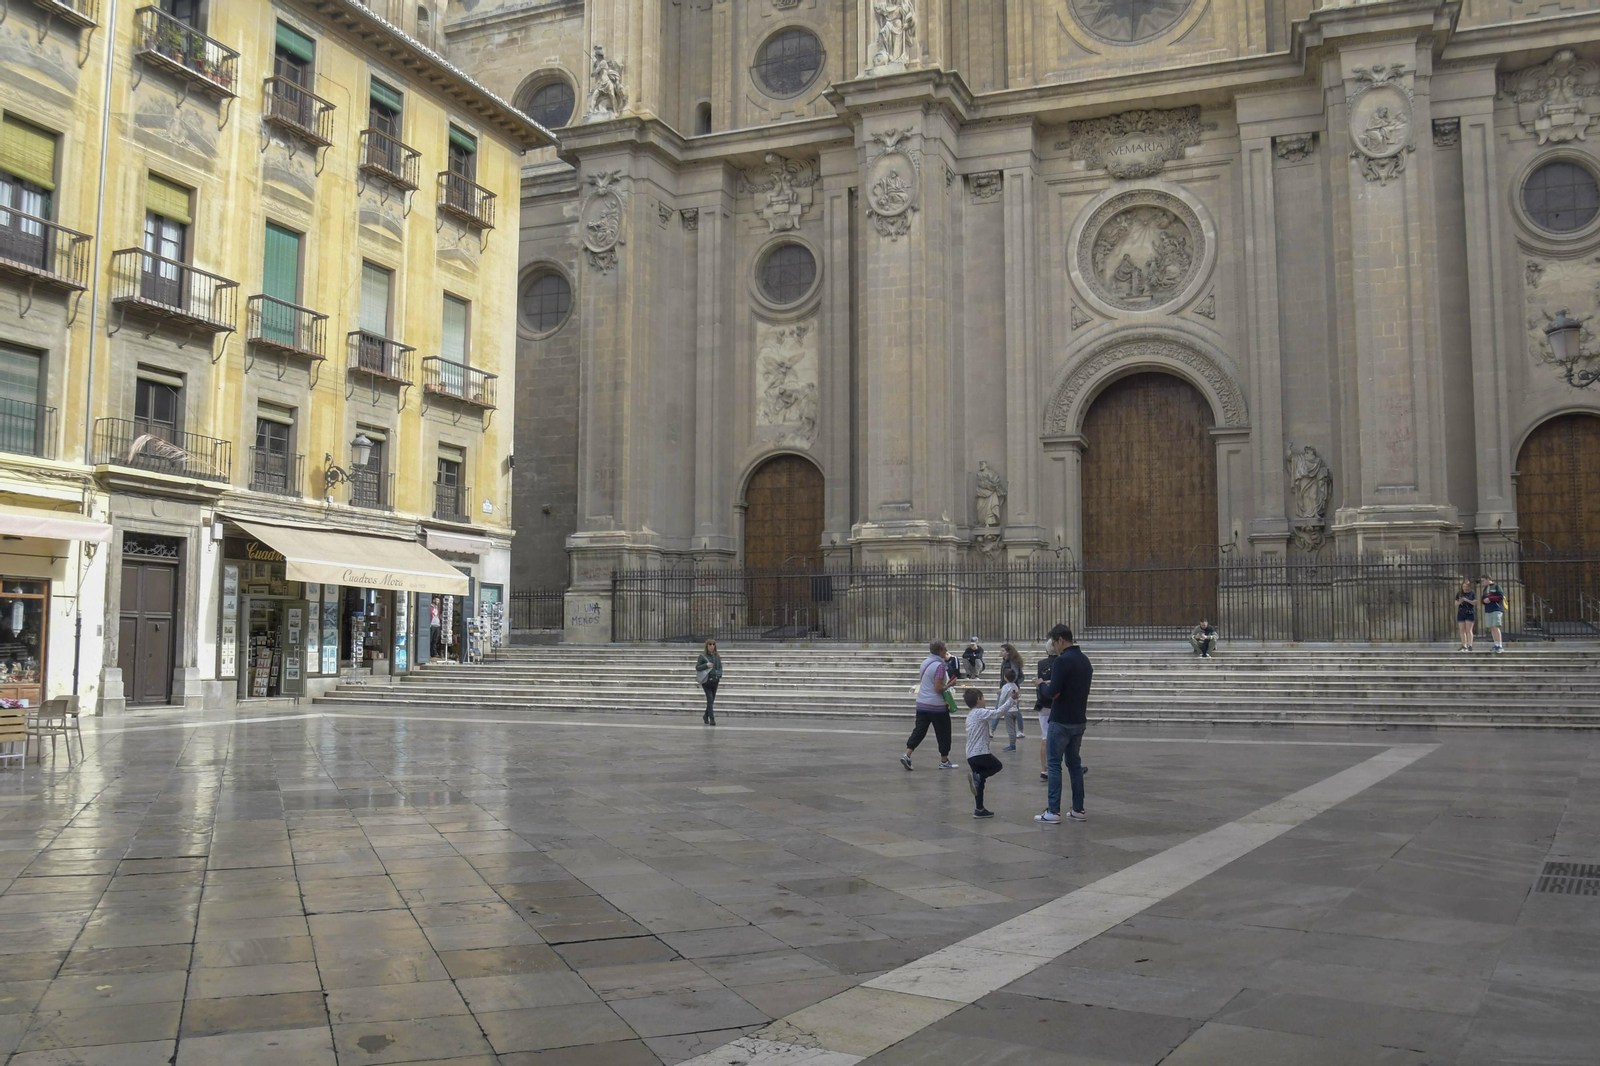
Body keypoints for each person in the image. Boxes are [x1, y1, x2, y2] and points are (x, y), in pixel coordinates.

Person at [1037, 624, 1093, 824]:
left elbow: (1054, 693)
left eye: (1054, 642)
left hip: (1061, 720)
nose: (1054, 646)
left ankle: (1053, 810)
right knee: (1074, 764)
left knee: (1053, 764)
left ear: (1061, 640)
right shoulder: (1085, 661)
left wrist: (1043, 686)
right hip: (1079, 719)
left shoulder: (1062, 661)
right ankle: (1078, 808)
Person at [902, 641, 956, 770]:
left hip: (922, 703)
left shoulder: (925, 663)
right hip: (936, 705)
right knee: (943, 732)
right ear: (941, 650)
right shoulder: (939, 666)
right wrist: (950, 684)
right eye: (945, 649)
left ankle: (907, 754)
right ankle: (944, 760)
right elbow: (938, 688)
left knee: (920, 730)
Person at [962, 687, 1005, 818]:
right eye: (983, 698)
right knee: (997, 766)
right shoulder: (979, 712)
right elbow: (998, 713)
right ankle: (979, 776)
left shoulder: (970, 715)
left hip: (970, 754)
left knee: (979, 784)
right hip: (980, 752)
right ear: (979, 699)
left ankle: (979, 809)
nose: (985, 700)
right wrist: (1011, 701)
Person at [1034, 642, 1057, 781]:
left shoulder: (1041, 664)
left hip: (1043, 704)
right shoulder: (1061, 662)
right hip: (1056, 703)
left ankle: (1044, 769)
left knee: (1045, 737)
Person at [695, 639, 722, 724]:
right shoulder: (702, 656)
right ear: (707, 646)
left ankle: (705, 716)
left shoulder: (717, 656)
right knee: (710, 698)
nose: (712, 646)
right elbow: (697, 667)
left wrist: (719, 674)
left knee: (711, 700)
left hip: (715, 681)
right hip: (706, 681)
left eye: (713, 644)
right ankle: (712, 719)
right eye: (710, 644)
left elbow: (720, 667)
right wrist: (706, 665)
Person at [1480, 575, 1506, 654]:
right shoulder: (1485, 589)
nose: (1482, 582)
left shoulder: (1497, 587)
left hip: (1496, 609)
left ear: (1488, 579)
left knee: (1496, 626)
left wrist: (1490, 599)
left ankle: (1500, 646)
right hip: (1488, 610)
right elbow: (1482, 599)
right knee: (1492, 627)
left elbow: (1501, 597)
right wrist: (1484, 601)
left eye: (1483, 580)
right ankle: (1496, 644)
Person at [1455, 580, 1477, 653]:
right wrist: (1460, 601)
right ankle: (1464, 645)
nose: (1464, 588)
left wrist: (1467, 600)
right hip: (1461, 613)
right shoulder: (1459, 594)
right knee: (1462, 630)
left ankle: (1469, 645)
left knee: (1469, 630)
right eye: (1463, 586)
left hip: (1469, 613)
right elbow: (1455, 604)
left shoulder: (1472, 593)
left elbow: (1475, 602)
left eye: (1466, 586)